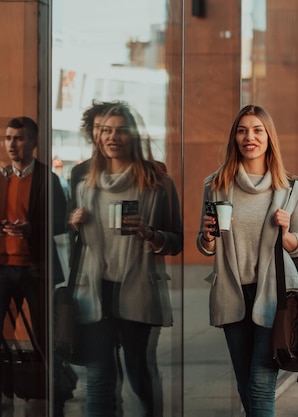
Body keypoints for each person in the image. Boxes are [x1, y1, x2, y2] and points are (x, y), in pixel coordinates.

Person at [196, 104, 298, 416]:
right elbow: (205, 244)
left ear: (269, 137)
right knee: (245, 383)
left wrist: (286, 234)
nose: (250, 137)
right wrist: (207, 236)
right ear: (235, 137)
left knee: (261, 384)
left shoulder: (291, 189)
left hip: (275, 296)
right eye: (242, 130)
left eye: (258, 130)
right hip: (232, 293)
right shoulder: (216, 185)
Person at [68, 103, 183, 417]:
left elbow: (176, 241)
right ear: (98, 136)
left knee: (139, 373)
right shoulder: (84, 186)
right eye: (106, 130)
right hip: (95, 293)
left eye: (120, 130)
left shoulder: (159, 185)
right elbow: (78, 246)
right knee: (99, 377)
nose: (112, 137)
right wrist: (73, 223)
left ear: (133, 136)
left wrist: (151, 235)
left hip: (138, 292)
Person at [0, 116, 67, 411]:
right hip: (3, 267)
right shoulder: (1, 177)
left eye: (19, 138)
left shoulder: (46, 178)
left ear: (34, 143)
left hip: (36, 267)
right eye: (8, 138)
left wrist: (32, 228)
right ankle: (7, 386)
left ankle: (48, 386)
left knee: (42, 332)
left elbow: (60, 221)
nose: (12, 144)